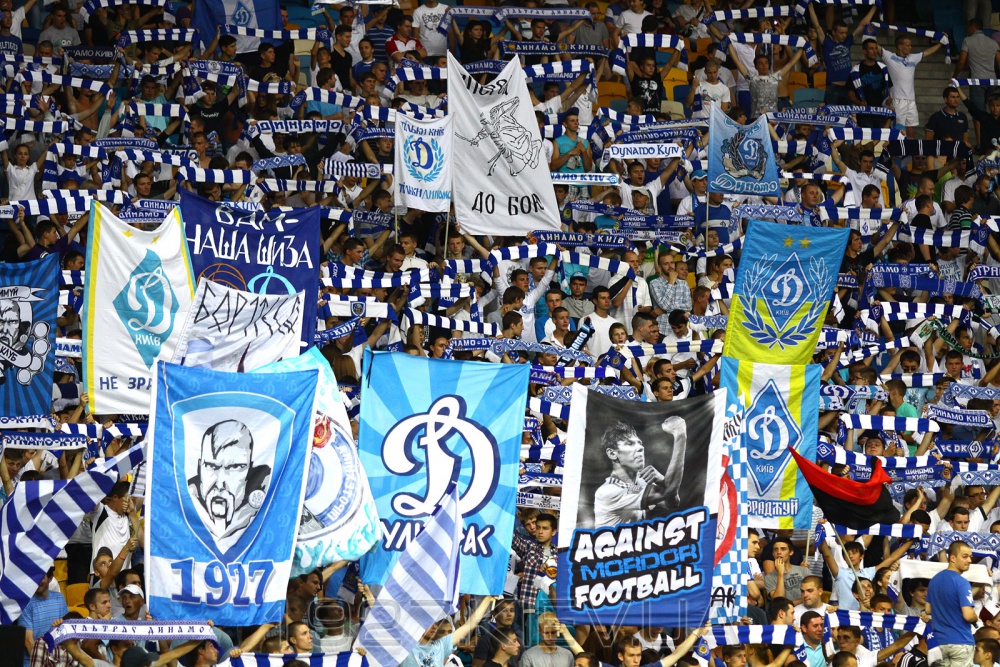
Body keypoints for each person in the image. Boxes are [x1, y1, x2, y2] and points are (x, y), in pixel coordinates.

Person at [593, 419, 686, 526]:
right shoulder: (609, 491)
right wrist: (680, 435)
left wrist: (662, 481)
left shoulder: (638, 483)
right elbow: (667, 492)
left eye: (639, 443)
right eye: (630, 444)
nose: (641, 448)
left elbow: (672, 502)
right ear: (612, 454)